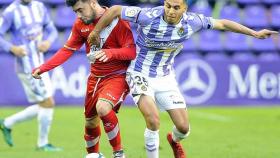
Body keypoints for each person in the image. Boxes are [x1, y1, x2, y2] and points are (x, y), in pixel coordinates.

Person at [87, 0, 278, 157]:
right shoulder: (147, 16)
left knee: (184, 128)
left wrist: (253, 33)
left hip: (166, 77)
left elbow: (223, 23)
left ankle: (174, 140)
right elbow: (114, 10)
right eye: (168, 6)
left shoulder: (192, 21)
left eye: (176, 7)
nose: (170, 11)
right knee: (153, 121)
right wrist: (95, 32)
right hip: (139, 73)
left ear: (184, 8)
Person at [32, 0, 136, 157]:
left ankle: (119, 153)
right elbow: (67, 50)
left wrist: (110, 53)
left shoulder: (117, 21)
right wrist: (43, 67)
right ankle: (93, 155)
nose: (79, 15)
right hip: (95, 79)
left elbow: (131, 52)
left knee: (103, 108)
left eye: (80, 10)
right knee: (90, 122)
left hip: (117, 75)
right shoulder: (80, 24)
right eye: (76, 12)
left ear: (93, 3)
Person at [0, 0, 62, 151]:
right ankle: (42, 144)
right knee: (48, 102)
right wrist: (11, 48)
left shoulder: (39, 7)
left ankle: (7, 123)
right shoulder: (10, 11)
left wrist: (48, 42)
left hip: (40, 63)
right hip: (26, 66)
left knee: (45, 103)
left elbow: (52, 30)